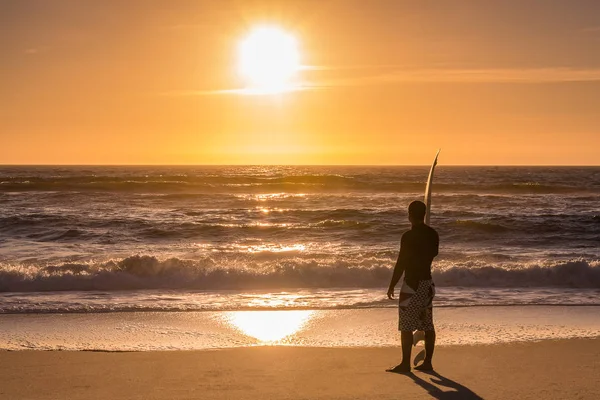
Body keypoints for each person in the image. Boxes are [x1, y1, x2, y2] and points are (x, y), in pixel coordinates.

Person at [387, 200, 439, 373]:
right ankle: (428, 362)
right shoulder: (433, 234)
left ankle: (405, 364)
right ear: (424, 215)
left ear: (409, 215)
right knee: (428, 324)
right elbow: (433, 253)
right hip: (427, 283)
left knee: (406, 326)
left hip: (412, 285)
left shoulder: (408, 237)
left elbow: (401, 262)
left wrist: (392, 284)